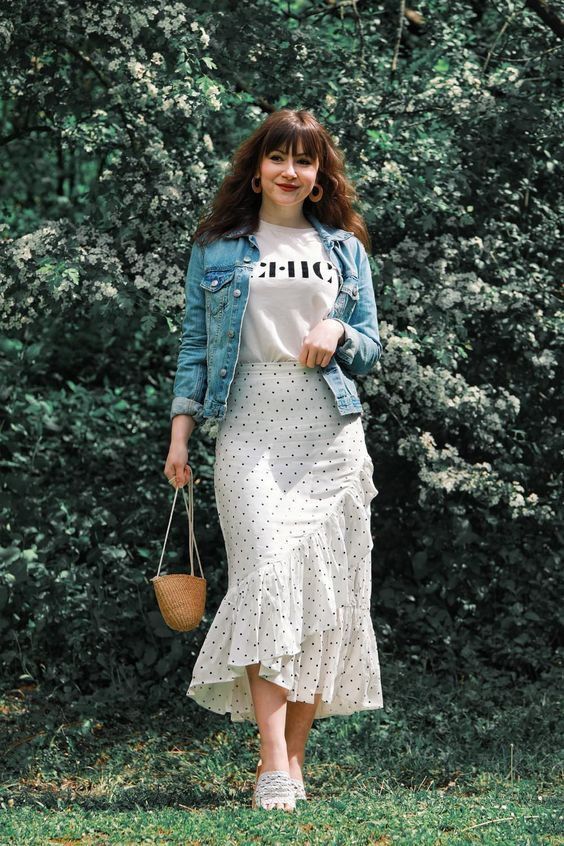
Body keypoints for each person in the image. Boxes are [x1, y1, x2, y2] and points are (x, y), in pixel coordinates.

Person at [163, 108, 384, 812]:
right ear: (257, 167)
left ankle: (293, 758)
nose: (291, 171)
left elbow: (372, 345)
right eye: (279, 157)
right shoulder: (218, 247)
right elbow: (195, 350)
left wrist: (339, 328)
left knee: (322, 592)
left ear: (320, 177)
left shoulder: (344, 248)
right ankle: (270, 762)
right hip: (251, 422)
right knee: (264, 578)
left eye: (305, 161)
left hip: (327, 428)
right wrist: (179, 436)